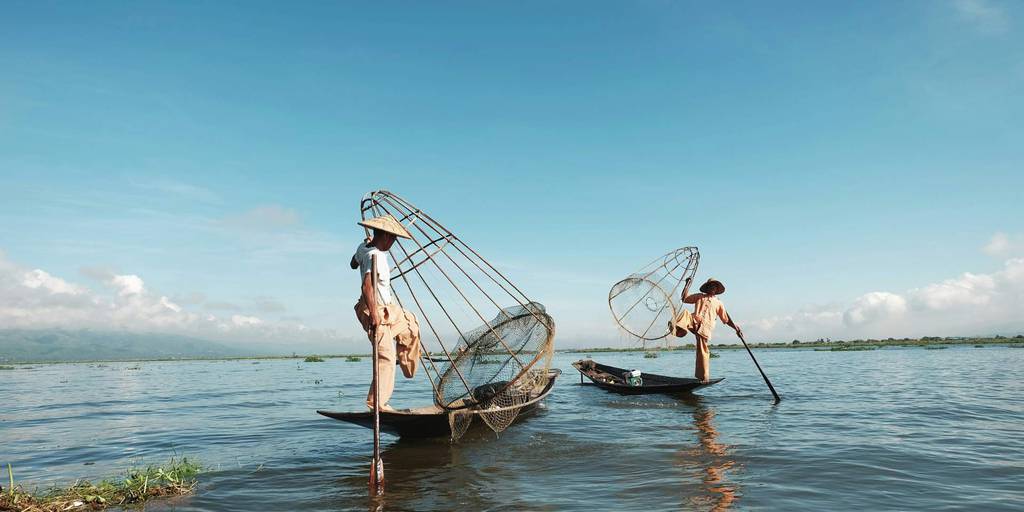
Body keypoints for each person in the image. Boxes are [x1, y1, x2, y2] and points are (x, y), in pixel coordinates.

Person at [350, 214, 422, 411]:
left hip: (386, 308)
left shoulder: (363, 248)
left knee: (410, 322)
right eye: (392, 239)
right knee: (386, 358)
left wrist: (364, 248)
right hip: (375, 308)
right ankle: (377, 404)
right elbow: (367, 286)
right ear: (386, 236)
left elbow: (352, 263)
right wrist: (374, 315)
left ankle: (407, 365)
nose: (392, 243)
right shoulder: (377, 256)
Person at [670, 278, 742, 382]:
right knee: (685, 313)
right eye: (710, 286)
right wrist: (687, 285)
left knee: (703, 351)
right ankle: (680, 330)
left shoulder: (718, 303)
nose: (712, 288)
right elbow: (684, 298)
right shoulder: (700, 296)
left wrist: (735, 328)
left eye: (714, 286)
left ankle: (703, 377)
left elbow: (726, 319)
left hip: (705, 328)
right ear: (707, 288)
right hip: (694, 322)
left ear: (716, 289)